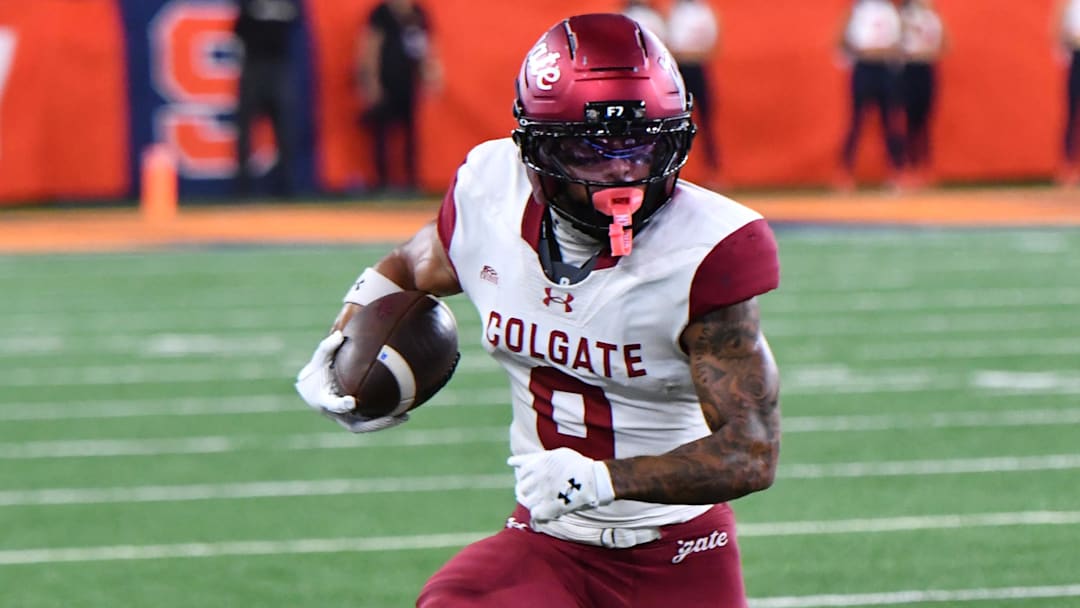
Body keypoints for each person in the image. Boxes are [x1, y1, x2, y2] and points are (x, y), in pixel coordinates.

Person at [296, 13, 781, 607]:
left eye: (643, 144)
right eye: (591, 150)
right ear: (535, 150)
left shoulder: (710, 249)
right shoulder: (491, 194)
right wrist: (345, 334)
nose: (623, 171)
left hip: (678, 552)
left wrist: (602, 479)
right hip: (548, 541)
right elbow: (412, 264)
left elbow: (751, 450)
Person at [357, 0, 442, 195]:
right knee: (382, 134)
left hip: (408, 83)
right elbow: (371, 48)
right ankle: (382, 182)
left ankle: (411, 181)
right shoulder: (382, 13)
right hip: (387, 82)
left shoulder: (418, 14)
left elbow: (425, 47)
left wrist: (430, 75)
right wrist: (371, 81)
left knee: (410, 134)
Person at [233, 0, 299, 198]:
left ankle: (286, 187)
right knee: (245, 129)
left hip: (278, 67)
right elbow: (238, 29)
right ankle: (243, 187)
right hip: (254, 65)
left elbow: (294, 23)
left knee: (285, 129)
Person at [837, 0, 906, 191]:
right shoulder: (856, 10)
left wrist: (884, 52)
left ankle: (896, 172)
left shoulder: (891, 11)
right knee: (856, 121)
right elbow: (842, 40)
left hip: (885, 69)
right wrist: (863, 51)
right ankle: (845, 173)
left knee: (890, 121)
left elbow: (900, 41)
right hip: (864, 69)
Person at [667, 0, 722, 183]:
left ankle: (714, 173)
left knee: (706, 122)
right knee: (673, 121)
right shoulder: (673, 11)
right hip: (678, 68)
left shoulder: (701, 11)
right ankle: (670, 170)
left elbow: (713, 40)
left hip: (695, 66)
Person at [899, 0, 946, 188]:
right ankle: (908, 166)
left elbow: (945, 44)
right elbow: (897, 43)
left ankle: (925, 166)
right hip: (909, 69)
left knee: (924, 119)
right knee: (910, 119)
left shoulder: (932, 18)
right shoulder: (904, 17)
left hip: (926, 68)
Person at [1056, 0, 1080, 187]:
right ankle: (1067, 166)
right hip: (1076, 56)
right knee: (1072, 113)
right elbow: (1059, 31)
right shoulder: (1067, 4)